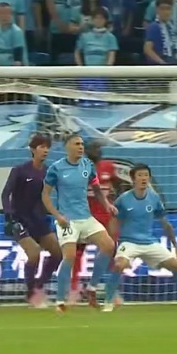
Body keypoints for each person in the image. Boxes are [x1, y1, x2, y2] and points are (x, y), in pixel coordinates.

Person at [102, 163, 177, 312]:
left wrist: (176, 245)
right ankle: (108, 302)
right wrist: (112, 242)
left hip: (149, 242)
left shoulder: (154, 198)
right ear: (133, 179)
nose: (143, 178)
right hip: (129, 242)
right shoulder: (123, 199)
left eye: (146, 175)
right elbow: (113, 221)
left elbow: (165, 224)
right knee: (119, 265)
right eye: (140, 175)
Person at [42, 134, 117, 313]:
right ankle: (60, 301)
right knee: (70, 256)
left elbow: (96, 190)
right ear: (67, 146)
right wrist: (57, 215)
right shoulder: (56, 168)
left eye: (82, 144)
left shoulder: (88, 165)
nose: (80, 147)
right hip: (67, 220)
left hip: (86, 218)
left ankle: (91, 288)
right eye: (76, 144)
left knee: (109, 246)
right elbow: (45, 195)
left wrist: (107, 205)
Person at [0, 135, 62, 308]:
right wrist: (9, 216)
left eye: (47, 147)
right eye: (42, 147)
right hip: (19, 220)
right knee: (34, 253)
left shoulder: (49, 172)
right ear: (33, 150)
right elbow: (5, 194)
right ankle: (31, 293)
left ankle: (39, 286)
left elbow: (51, 194)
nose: (45, 150)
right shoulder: (20, 170)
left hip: (39, 220)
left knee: (58, 253)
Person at [74, 140, 123, 305]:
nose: (97, 151)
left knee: (111, 251)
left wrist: (115, 202)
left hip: (106, 216)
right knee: (77, 252)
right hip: (85, 216)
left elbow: (117, 184)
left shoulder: (108, 167)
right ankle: (73, 290)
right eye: (93, 149)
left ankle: (111, 291)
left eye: (98, 148)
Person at [143, 0, 177, 65]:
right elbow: (147, 49)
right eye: (162, 9)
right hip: (160, 64)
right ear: (157, 10)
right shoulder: (154, 27)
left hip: (173, 61)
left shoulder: (172, 27)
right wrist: (162, 62)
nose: (165, 12)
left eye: (168, 9)